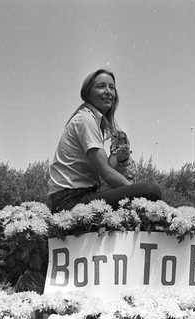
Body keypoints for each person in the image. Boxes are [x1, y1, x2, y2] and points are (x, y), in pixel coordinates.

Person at [48, 69, 162, 213]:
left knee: (146, 192)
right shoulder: (85, 120)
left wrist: (118, 155)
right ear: (87, 93)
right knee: (151, 191)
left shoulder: (93, 120)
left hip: (76, 197)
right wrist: (139, 197)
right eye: (101, 86)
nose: (108, 91)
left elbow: (107, 168)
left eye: (112, 87)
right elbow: (107, 173)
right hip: (69, 201)